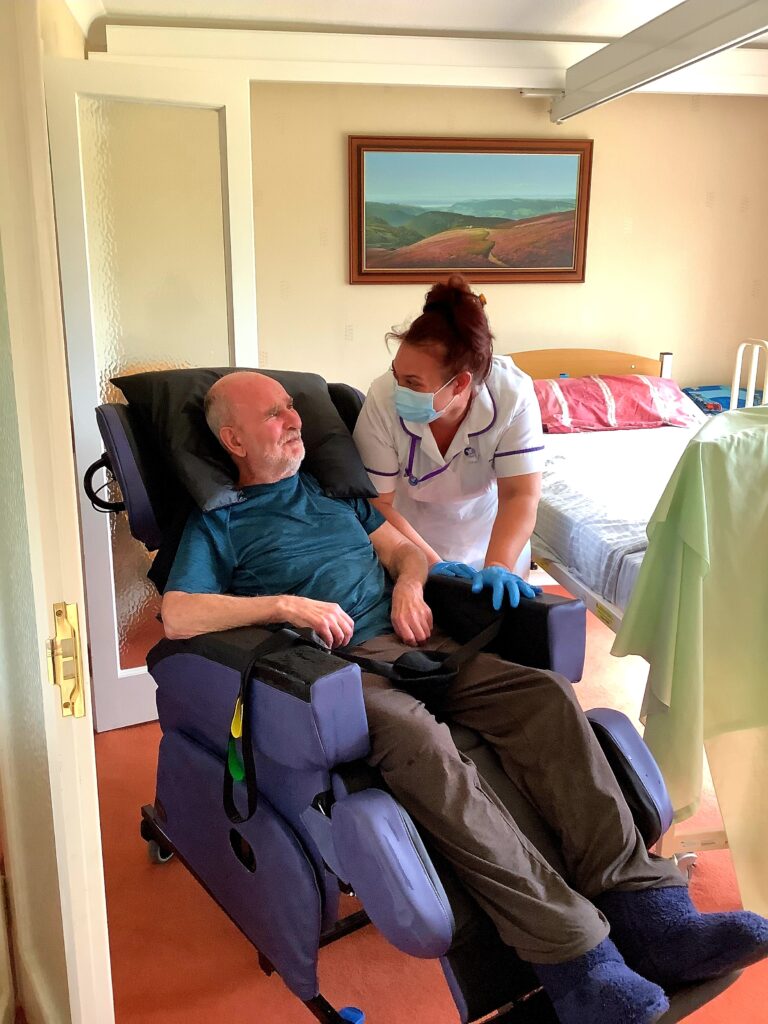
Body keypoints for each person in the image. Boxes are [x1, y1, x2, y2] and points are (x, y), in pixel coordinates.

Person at [161, 371, 768, 1024]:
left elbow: (400, 551)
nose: (294, 418)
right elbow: (178, 614)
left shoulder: (334, 493)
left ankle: (649, 912)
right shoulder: (219, 523)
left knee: (542, 698)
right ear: (233, 439)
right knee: (426, 745)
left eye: (291, 406)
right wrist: (286, 606)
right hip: (331, 675)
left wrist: (410, 584)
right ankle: (576, 961)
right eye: (274, 413)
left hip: (420, 644)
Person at [353, 274, 543, 611]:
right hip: (408, 541)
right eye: (397, 375)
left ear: (460, 384)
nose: (399, 389)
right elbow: (376, 503)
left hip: (490, 541)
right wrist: (428, 564)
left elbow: (519, 493)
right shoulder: (383, 397)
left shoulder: (511, 395)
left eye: (413, 382)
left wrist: (498, 564)